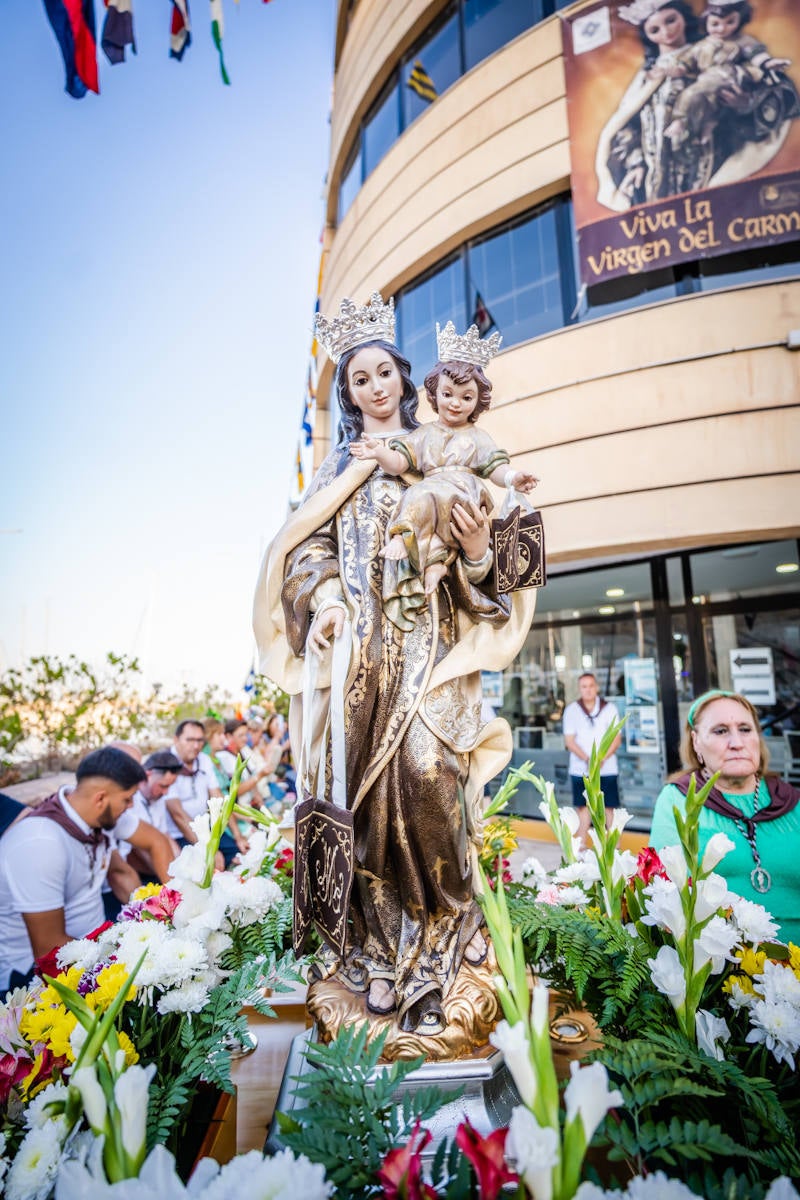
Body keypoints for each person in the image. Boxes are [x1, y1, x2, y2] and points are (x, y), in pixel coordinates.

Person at [253, 292, 535, 1036]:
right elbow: (303, 549)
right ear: (347, 394)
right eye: (359, 379)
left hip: (433, 652)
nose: (376, 387)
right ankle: (377, 952)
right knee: (365, 807)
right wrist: (324, 604)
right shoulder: (337, 469)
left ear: (406, 378)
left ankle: (448, 935)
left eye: (385, 373)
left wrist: (478, 552)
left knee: (428, 779)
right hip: (358, 665)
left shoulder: (439, 444)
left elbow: (500, 555)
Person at [350, 321, 538, 629]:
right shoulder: (424, 434)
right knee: (427, 505)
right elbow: (399, 462)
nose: (455, 403)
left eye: (467, 398)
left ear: (478, 403)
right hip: (436, 496)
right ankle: (435, 564)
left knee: (421, 496)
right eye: (449, 394)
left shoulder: (478, 437)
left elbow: (495, 466)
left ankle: (403, 536)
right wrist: (379, 452)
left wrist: (513, 477)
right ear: (435, 393)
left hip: (464, 496)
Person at [650, 689, 800, 944]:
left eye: (745, 729)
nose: (737, 742)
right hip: (724, 968)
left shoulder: (789, 800)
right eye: (720, 731)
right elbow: (666, 892)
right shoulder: (679, 800)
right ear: (696, 741)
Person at [0, 747, 146, 991]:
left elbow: (128, 868)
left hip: (95, 945)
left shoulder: (93, 819)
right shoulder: (40, 843)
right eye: (127, 799)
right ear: (100, 799)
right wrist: (122, 961)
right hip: (33, 977)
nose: (130, 806)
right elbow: (48, 950)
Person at [665, 1, 794, 150]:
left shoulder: (742, 41)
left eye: (730, 22)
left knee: (693, 93)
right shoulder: (702, 45)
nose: (722, 28)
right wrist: (679, 69)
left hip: (729, 76)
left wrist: (768, 63)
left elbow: (756, 55)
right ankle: (706, 125)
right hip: (707, 80)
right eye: (715, 24)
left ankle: (681, 120)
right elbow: (687, 61)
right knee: (705, 97)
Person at [563, 672, 622, 844]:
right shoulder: (572, 710)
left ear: (596, 687)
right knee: (583, 809)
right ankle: (580, 850)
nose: (588, 690)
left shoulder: (609, 709)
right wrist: (589, 760)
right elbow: (569, 741)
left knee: (609, 808)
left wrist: (601, 758)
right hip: (580, 769)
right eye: (584, 686)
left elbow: (616, 739)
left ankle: (615, 850)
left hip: (607, 768)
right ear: (579, 689)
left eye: (591, 686)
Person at [163, 719, 227, 868]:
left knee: (238, 853)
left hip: (208, 830)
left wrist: (236, 834)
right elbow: (177, 814)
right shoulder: (166, 763)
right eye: (190, 740)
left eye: (200, 740)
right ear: (176, 740)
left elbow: (218, 799)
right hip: (180, 834)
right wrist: (207, 848)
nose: (196, 745)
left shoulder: (204, 760)